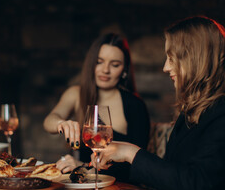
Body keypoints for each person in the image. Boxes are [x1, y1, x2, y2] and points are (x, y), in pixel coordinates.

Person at [95, 16, 225, 190]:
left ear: (194, 59)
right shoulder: (192, 113)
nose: (165, 67)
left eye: (171, 58)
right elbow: (172, 177)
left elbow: (195, 186)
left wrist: (131, 153)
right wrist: (113, 161)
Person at [43, 33, 150, 182]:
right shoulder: (76, 94)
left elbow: (138, 164)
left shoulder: (135, 105)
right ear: (91, 64)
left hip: (120, 187)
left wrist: (84, 167)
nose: (105, 70)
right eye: (99, 62)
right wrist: (60, 123)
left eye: (115, 65)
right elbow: (49, 121)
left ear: (124, 70)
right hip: (85, 185)